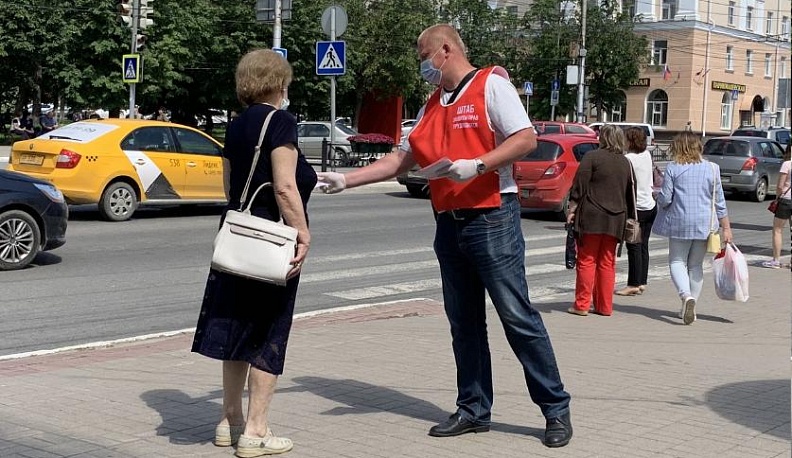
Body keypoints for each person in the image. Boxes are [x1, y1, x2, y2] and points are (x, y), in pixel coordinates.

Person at [316, 24, 572, 448]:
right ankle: (473, 409)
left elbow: (526, 138)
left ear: (445, 50)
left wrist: (479, 165)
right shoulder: (433, 103)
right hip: (449, 221)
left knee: (517, 318)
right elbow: (402, 159)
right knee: (464, 323)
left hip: (492, 216)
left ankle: (555, 409)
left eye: (424, 54)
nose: (422, 64)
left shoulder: (492, 84)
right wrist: (347, 178)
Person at [191, 48, 315, 457]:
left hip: (236, 239)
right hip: (271, 242)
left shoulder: (237, 124)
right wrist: (301, 232)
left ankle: (229, 420)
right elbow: (284, 186)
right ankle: (256, 431)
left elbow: (230, 188)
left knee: (235, 325)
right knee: (267, 332)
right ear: (279, 83)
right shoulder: (280, 121)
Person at [652, 131, 732, 325]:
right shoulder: (713, 168)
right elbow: (719, 201)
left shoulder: (673, 168)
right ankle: (691, 307)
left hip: (680, 222)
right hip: (705, 224)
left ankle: (686, 296)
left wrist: (657, 198)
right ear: (699, 147)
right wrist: (727, 228)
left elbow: (666, 198)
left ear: (677, 147)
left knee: (677, 262)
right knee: (695, 265)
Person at [566, 124, 633, 317]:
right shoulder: (625, 162)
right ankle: (604, 307)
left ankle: (582, 305)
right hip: (616, 218)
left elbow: (579, 184)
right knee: (607, 262)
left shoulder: (592, 157)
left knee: (587, 261)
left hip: (592, 216)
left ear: (603, 138)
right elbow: (630, 192)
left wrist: (572, 209)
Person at [615, 127, 658, 296]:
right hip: (650, 205)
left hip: (636, 207)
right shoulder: (647, 155)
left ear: (630, 141)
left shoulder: (628, 159)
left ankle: (633, 283)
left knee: (633, 245)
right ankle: (642, 282)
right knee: (643, 245)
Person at [762, 143, 791, 269]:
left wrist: (777, 197)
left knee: (778, 230)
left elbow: (780, 186)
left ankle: (776, 260)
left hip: (786, 200)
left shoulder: (787, 164)